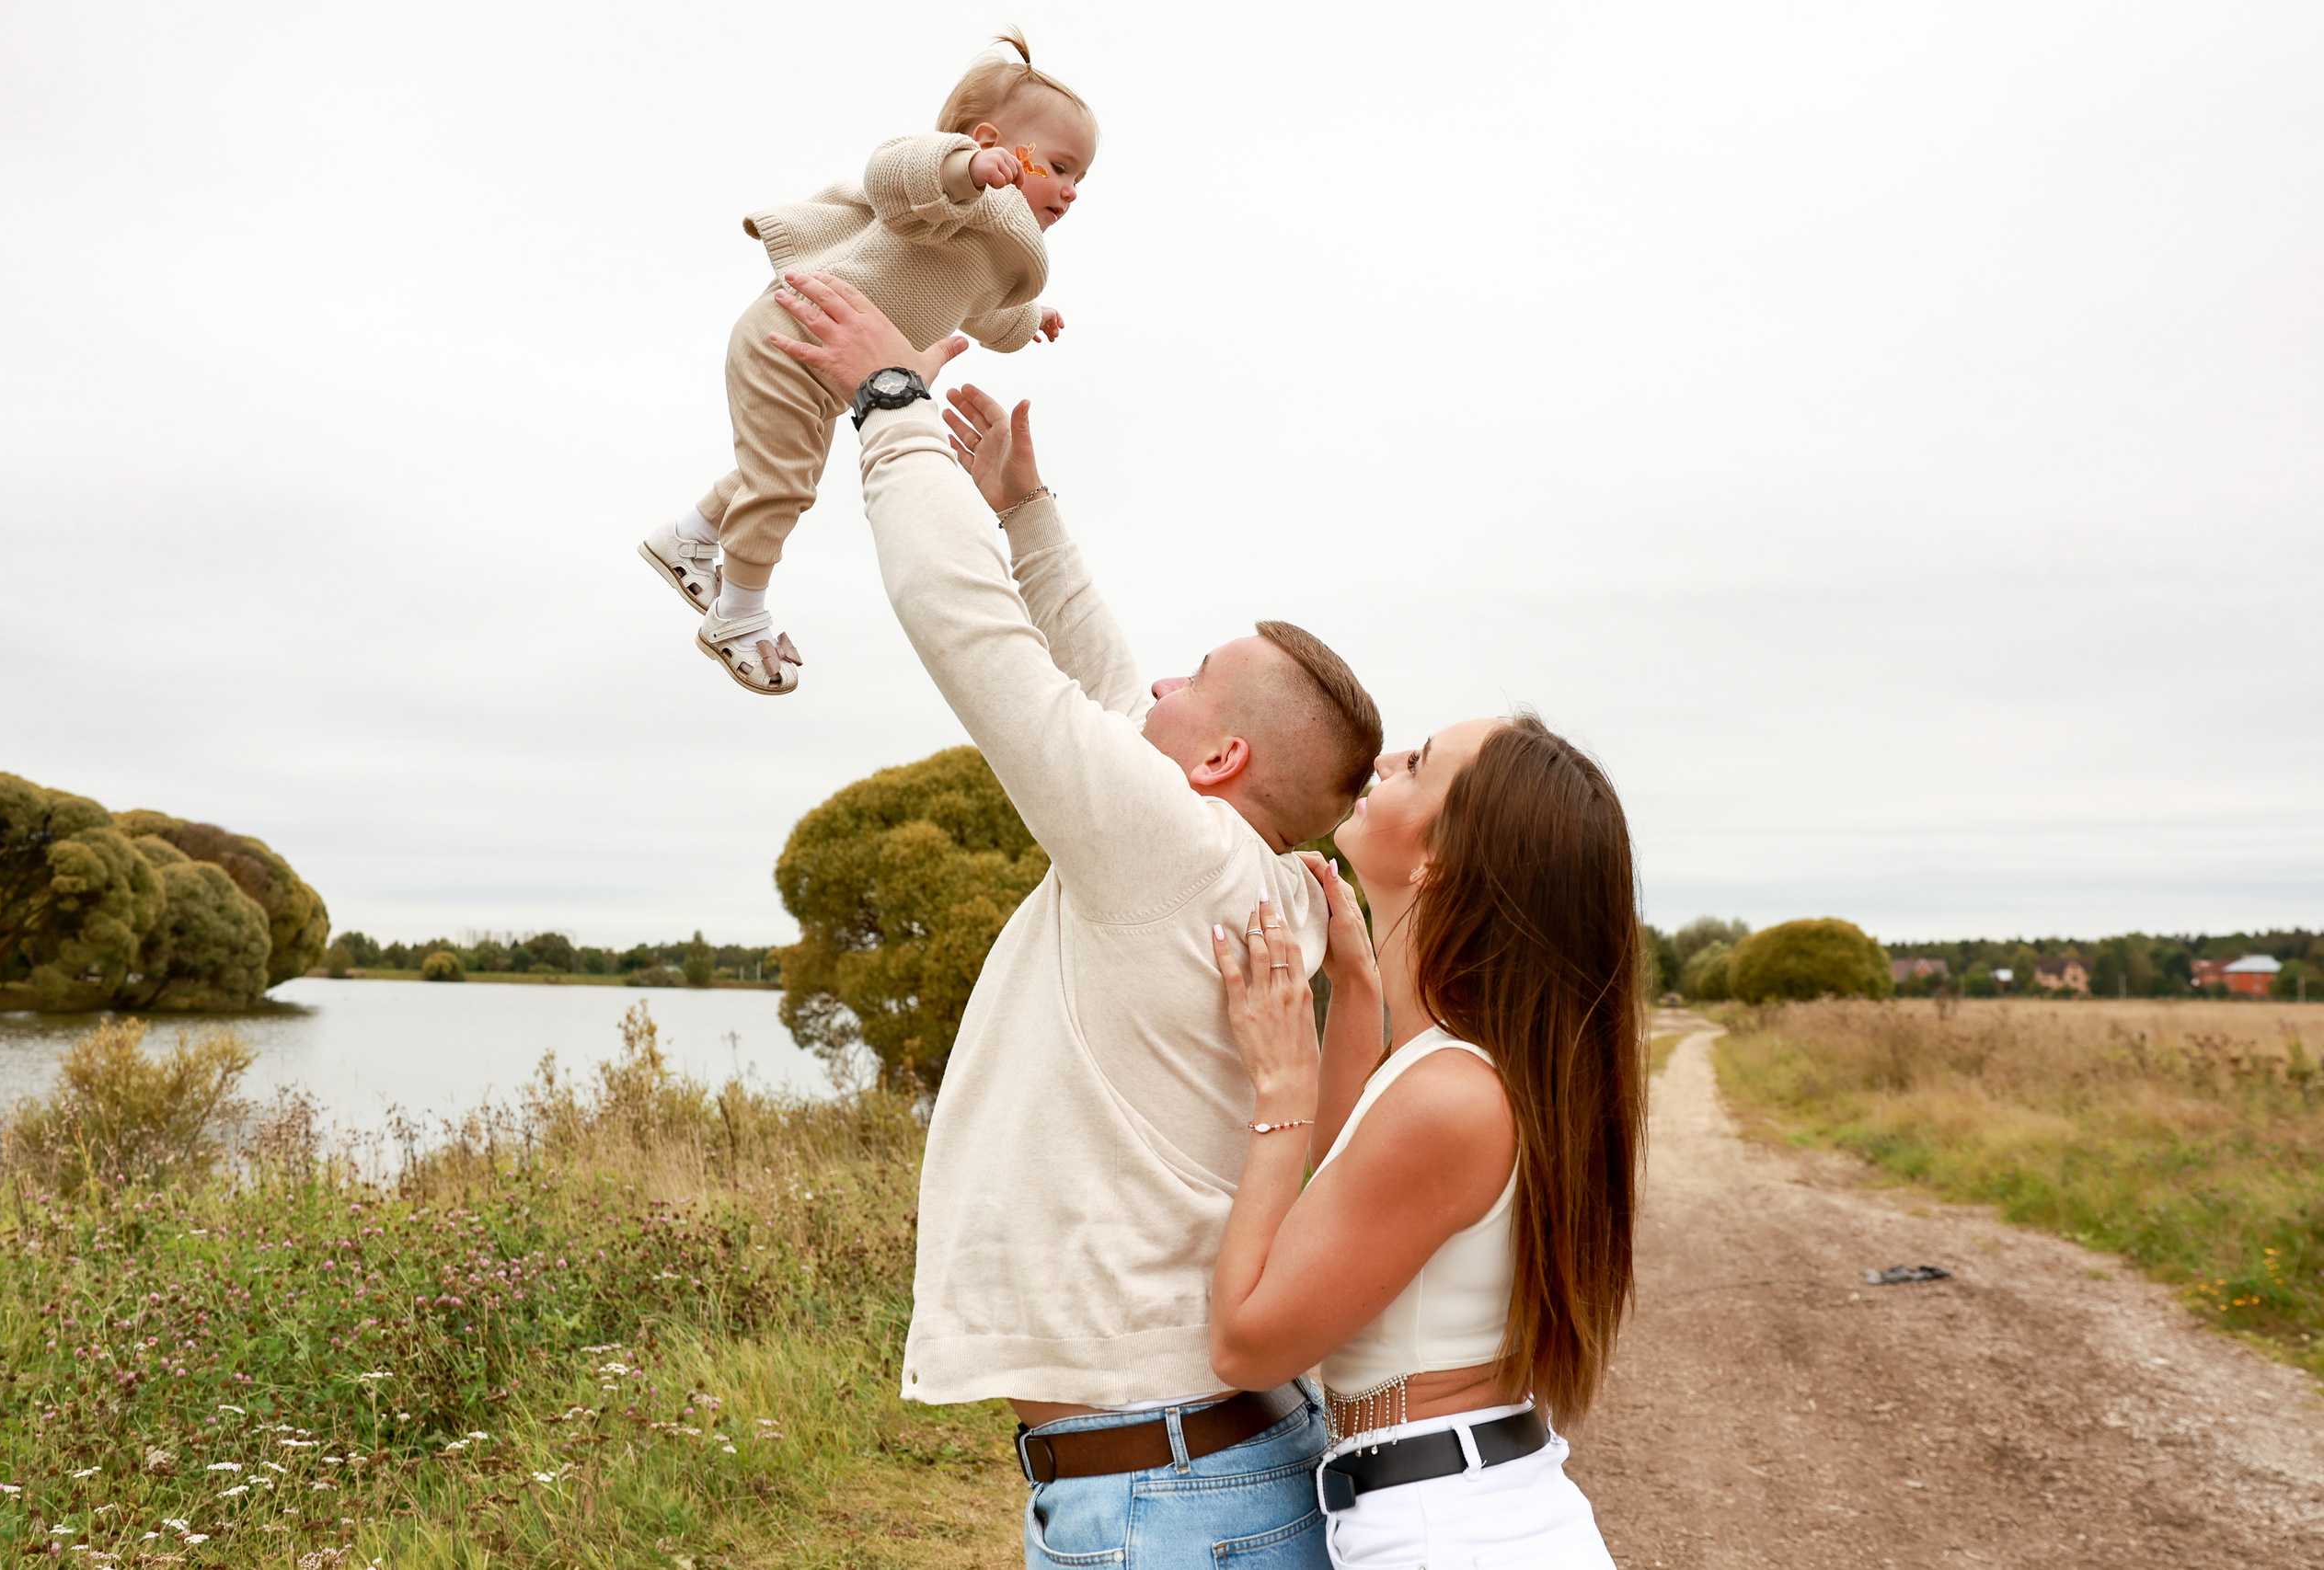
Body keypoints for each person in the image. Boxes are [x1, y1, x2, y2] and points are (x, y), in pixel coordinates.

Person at [764, 267, 1385, 1566]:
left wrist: (892, 407)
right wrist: (1028, 513)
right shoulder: (1258, 879)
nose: (1155, 681)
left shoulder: (1172, 849)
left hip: (1169, 1500)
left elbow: (974, 633)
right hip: (1190, 1474)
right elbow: (1111, 693)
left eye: (1192, 677)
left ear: (1220, 761)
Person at [1208, 715, 1647, 1567]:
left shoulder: (1450, 1097)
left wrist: (1282, 1089)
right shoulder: (1458, 1063)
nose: (1382, 759)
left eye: (1418, 763)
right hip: (1456, 1507)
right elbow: (1348, 1186)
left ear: (1438, 859)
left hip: (1446, 1533)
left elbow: (1247, 1343)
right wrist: (1356, 986)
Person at [637, 30, 1090, 695]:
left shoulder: (996, 253)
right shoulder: (946, 200)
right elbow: (893, 174)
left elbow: (983, 313)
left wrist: (1030, 318)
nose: (1071, 190)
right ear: (993, 143)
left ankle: (687, 537)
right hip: (789, 335)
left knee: (782, 470)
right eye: (1059, 166)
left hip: (821, 370)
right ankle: (736, 613)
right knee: (784, 483)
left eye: (1081, 178)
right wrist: (964, 168)